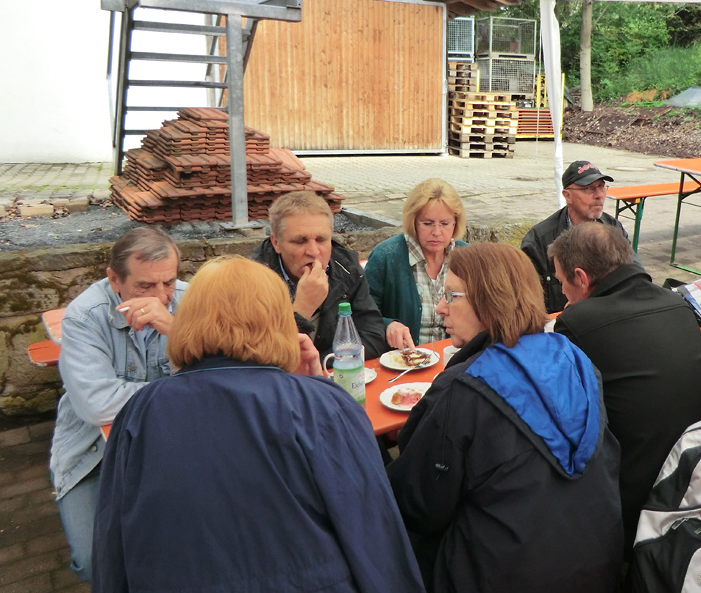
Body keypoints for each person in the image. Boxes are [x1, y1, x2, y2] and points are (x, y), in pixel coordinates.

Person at [92, 256, 423, 592]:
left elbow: (112, 538)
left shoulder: (140, 411)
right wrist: (315, 390)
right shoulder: (321, 405)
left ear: (189, 319)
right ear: (279, 320)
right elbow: (371, 527)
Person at [386, 243, 623, 592]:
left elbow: (415, 505)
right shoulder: (577, 362)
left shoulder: (463, 390)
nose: (440, 309)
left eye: (451, 296)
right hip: (597, 567)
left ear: (489, 300)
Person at [548, 222, 701, 555]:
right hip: (696, 476)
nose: (562, 291)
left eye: (562, 282)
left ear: (581, 278)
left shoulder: (579, 322)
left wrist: (574, 318)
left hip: (629, 500)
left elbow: (563, 416)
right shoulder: (676, 303)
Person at [50, 227, 186, 583]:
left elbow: (225, 374)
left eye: (169, 283)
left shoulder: (192, 301)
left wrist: (178, 331)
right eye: (145, 286)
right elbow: (97, 406)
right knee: (95, 561)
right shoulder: (84, 317)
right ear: (114, 279)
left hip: (175, 443)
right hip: (94, 453)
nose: (161, 297)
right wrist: (182, 388)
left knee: (183, 546)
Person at [250, 191, 389, 359]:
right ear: (276, 243)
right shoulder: (252, 280)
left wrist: (321, 365)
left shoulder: (346, 268)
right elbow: (259, 359)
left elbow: (373, 337)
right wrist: (302, 309)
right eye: (300, 241)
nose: (314, 252)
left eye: (322, 240)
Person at [366, 178, 469, 348]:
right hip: (403, 361)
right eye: (427, 223)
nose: (436, 232)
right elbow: (361, 313)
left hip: (455, 358)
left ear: (455, 223)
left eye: (444, 223)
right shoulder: (385, 256)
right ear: (413, 221)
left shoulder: (466, 256)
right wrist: (387, 325)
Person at [521, 160, 633, 313]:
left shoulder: (613, 228)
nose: (599, 195)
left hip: (609, 316)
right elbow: (528, 302)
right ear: (568, 196)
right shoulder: (539, 240)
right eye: (589, 189)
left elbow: (633, 275)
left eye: (601, 187)